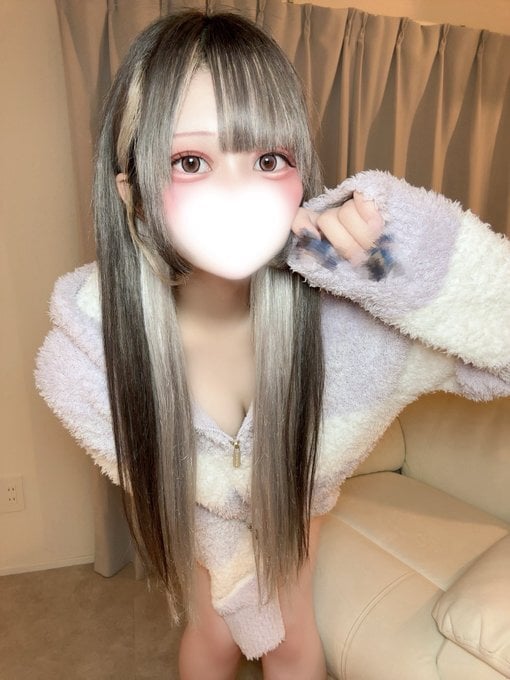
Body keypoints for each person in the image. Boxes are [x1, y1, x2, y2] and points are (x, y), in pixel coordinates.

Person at [35, 10, 510, 680]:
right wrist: (233, 569)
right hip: (204, 531)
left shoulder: (352, 322)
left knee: (289, 637)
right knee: (213, 630)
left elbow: (498, 350)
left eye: (267, 159)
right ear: (133, 194)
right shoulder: (86, 366)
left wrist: (399, 257)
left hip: (299, 511)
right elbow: (180, 492)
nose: (239, 191)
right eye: (191, 161)